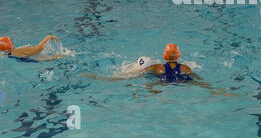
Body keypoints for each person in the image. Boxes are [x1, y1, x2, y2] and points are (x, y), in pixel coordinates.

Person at [80, 44, 233, 96]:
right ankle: (217, 91)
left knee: (137, 81)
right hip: (182, 80)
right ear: (179, 55)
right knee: (201, 84)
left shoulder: (157, 67)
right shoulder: (186, 67)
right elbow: (199, 78)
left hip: (162, 81)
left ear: (164, 56)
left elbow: (136, 74)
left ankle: (148, 92)